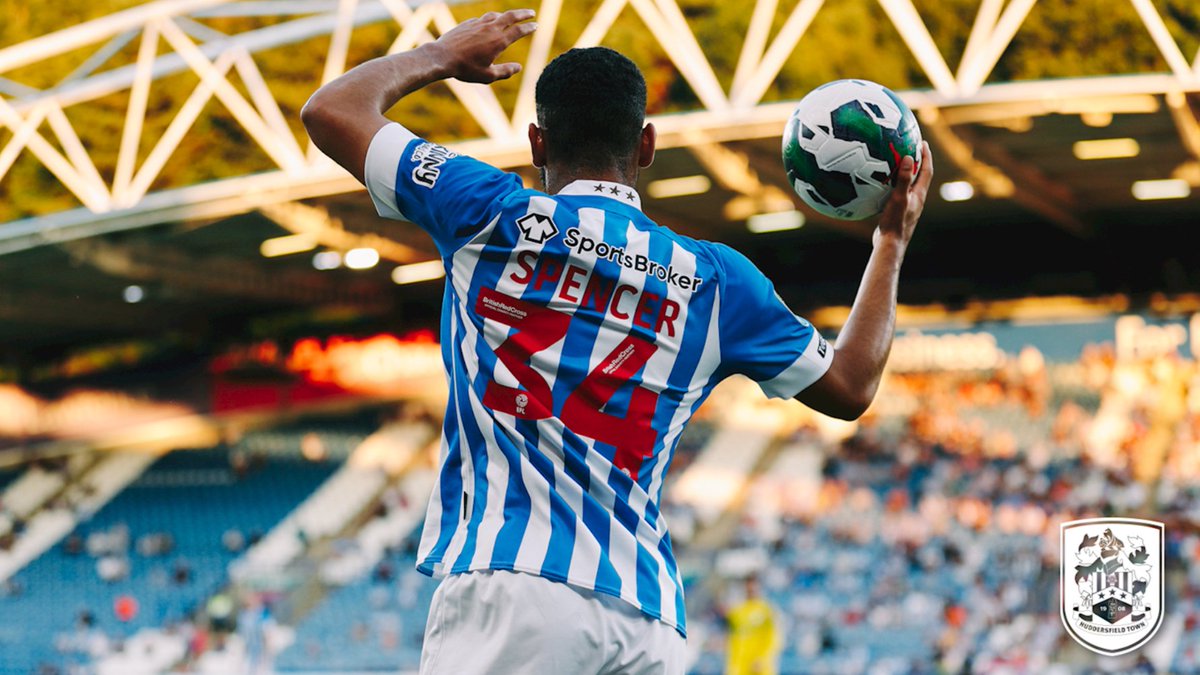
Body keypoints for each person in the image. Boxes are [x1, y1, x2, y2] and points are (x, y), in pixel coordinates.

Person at [302, 9, 933, 674]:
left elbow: (331, 110)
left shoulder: (483, 208)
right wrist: (891, 240)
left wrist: (439, 55)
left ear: (538, 144)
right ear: (648, 145)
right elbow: (853, 383)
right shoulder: (719, 282)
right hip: (645, 617)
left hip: (511, 587)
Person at [723, 577, 781, 675]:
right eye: (748, 587)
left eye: (753, 587)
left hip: (760, 667)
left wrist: (763, 658)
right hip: (740, 666)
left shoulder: (767, 611)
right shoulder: (736, 612)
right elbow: (732, 637)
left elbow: (774, 638)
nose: (750, 590)